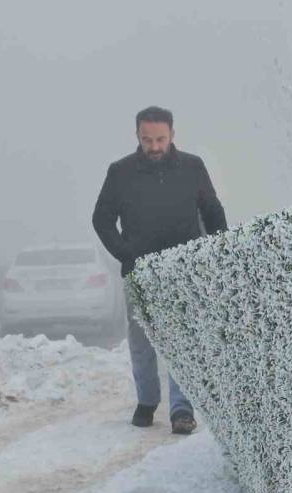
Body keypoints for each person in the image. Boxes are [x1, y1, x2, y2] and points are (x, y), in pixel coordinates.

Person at [92, 105, 227, 434]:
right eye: (147, 139)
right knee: (141, 342)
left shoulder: (193, 168)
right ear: (137, 136)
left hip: (183, 269)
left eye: (160, 139)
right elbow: (102, 219)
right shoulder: (120, 172)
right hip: (139, 272)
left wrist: (217, 251)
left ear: (172, 135)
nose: (154, 146)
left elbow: (212, 211)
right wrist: (126, 253)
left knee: (181, 340)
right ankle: (147, 400)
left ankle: (182, 410)